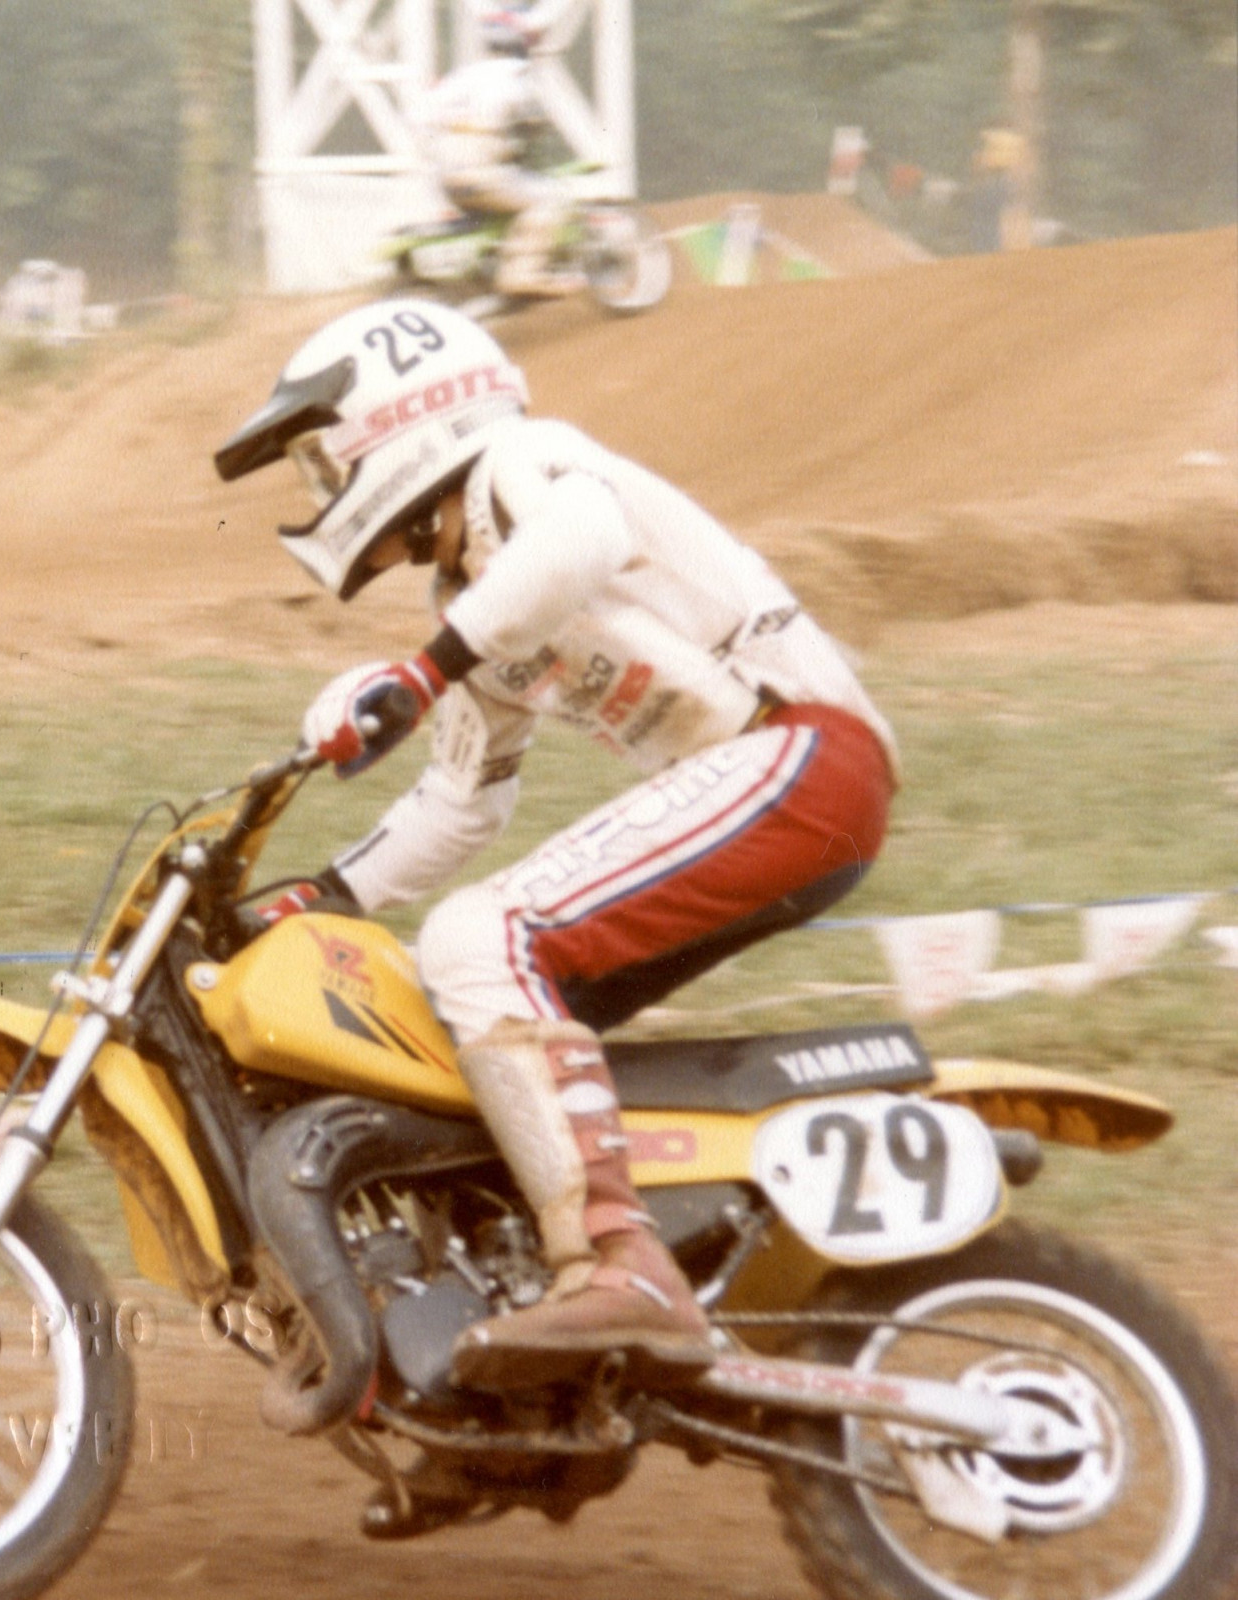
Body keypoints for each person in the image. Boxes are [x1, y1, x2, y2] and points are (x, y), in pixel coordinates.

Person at [213, 298, 899, 1398]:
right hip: (756, 788)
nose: (318, 492)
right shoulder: (472, 595)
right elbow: (462, 798)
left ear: (393, 421)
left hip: (807, 753)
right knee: (463, 1014)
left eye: (317, 461)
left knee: (483, 934)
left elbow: (581, 543)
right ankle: (539, 1289)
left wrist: (426, 668)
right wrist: (323, 893)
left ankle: (618, 1264)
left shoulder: (525, 467)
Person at [417, 8, 576, 297]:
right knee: (552, 200)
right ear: (520, 43)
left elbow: (422, 119)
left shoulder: (461, 76)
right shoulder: (514, 76)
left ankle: (491, 268)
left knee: (507, 201)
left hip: (448, 182)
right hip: (488, 178)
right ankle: (523, 273)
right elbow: (531, 120)